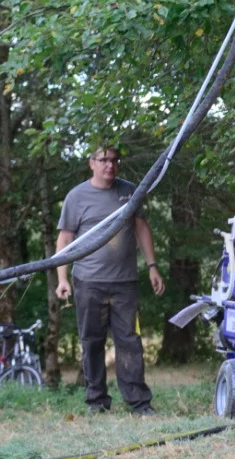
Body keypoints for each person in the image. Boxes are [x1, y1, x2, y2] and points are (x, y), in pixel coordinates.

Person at [55, 145, 166, 413]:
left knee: (129, 341)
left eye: (115, 160)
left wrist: (152, 266)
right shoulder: (77, 196)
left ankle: (139, 402)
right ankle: (97, 401)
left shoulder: (129, 191)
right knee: (91, 341)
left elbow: (141, 227)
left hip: (125, 283)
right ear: (91, 163)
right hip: (88, 282)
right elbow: (65, 238)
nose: (110, 165)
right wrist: (62, 278)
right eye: (103, 160)